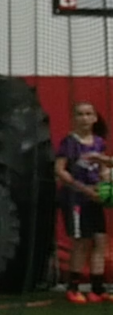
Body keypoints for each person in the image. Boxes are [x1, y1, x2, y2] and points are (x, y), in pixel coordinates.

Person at [55, 101, 113, 304]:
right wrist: (85, 189)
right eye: (80, 114)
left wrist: (105, 185)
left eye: (89, 114)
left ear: (95, 117)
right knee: (81, 243)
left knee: (100, 240)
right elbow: (60, 170)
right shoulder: (69, 142)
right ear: (74, 118)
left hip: (93, 199)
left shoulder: (99, 142)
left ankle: (97, 289)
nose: (85, 118)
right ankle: (73, 288)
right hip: (75, 199)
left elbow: (103, 169)